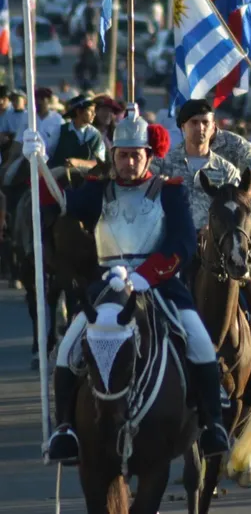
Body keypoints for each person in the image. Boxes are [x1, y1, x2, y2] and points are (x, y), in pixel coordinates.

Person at [39, 107, 230, 463]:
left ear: (148, 156)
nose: (128, 163)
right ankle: (65, 427)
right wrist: (39, 164)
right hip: (107, 288)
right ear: (113, 156)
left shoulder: (169, 192)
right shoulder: (99, 191)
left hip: (158, 284)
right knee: (67, 348)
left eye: (135, 155)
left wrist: (148, 275)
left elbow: (183, 243)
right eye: (123, 155)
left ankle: (211, 424)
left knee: (200, 341)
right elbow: (57, 203)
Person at [152, 100, 251, 403]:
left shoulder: (226, 169)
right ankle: (150, 364)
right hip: (178, 252)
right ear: (182, 127)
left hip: (222, 255)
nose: (200, 128)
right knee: (155, 303)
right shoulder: (164, 165)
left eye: (206, 123)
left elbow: (240, 209)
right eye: (194, 123)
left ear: (214, 128)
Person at [48, 95, 106, 171]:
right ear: (78, 112)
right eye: (90, 110)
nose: (94, 114)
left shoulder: (95, 135)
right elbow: (48, 155)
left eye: (94, 111)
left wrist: (77, 162)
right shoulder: (60, 130)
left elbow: (99, 162)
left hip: (87, 180)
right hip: (59, 178)